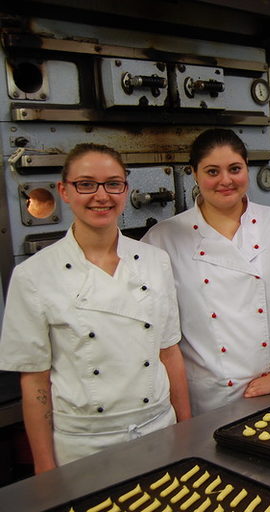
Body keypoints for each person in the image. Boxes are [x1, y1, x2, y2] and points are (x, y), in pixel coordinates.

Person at [0, 144, 190, 472]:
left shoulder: (155, 261)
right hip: (85, 446)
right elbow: (34, 382)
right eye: (86, 184)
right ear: (64, 191)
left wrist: (188, 432)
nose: (101, 195)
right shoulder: (33, 275)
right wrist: (45, 469)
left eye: (113, 184)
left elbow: (169, 353)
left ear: (125, 190)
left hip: (161, 429)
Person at [143, 129, 270, 415]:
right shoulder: (163, 239)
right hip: (212, 396)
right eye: (212, 171)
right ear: (194, 174)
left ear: (246, 169)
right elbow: (160, 335)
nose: (225, 180)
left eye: (235, 169)